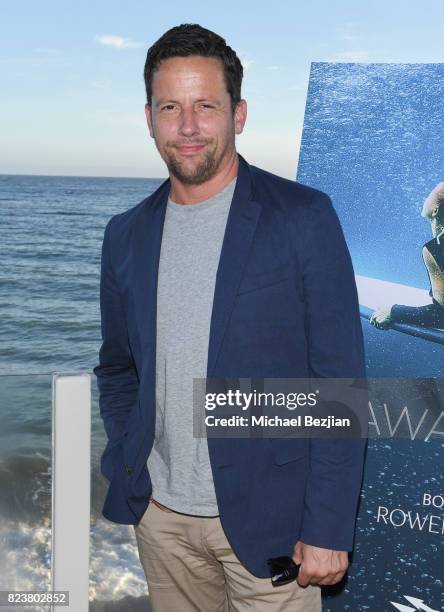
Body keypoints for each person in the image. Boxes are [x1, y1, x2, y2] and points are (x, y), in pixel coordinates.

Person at [93, 23, 366, 612]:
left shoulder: (303, 217)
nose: (188, 127)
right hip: (162, 522)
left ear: (238, 114)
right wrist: (127, 450)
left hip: (275, 525)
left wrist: (327, 525)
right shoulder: (125, 236)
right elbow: (117, 367)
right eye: (171, 107)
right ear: (149, 118)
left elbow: (340, 383)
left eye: (206, 106)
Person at [370, 182, 444, 330]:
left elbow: (441, 315)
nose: (425, 198)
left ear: (435, 210)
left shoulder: (434, 249)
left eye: (429, 196)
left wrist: (393, 311)